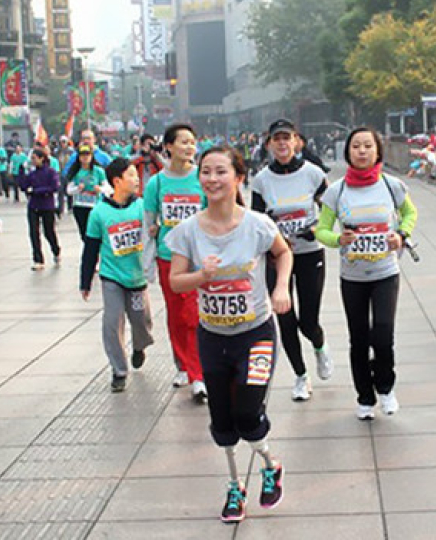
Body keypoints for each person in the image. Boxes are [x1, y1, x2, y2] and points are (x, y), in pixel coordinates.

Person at [165, 145, 291, 522]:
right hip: (213, 338)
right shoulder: (187, 231)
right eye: (206, 171)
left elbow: (283, 253)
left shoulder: (257, 224)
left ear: (238, 177)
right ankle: (235, 487)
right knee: (222, 422)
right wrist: (202, 276)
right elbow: (174, 282)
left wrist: (281, 288)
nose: (212, 179)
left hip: (256, 335)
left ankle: (270, 464)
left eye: (221, 172)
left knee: (248, 414)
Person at [315, 127, 418, 420]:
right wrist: (338, 240)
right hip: (353, 278)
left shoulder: (391, 186)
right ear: (347, 151)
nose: (362, 151)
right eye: (356, 146)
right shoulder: (336, 191)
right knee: (358, 338)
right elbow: (321, 229)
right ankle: (364, 396)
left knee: (383, 334)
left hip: (386, 272)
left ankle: (385, 388)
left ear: (377, 151)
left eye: (367, 146)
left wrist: (402, 233)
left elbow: (410, 214)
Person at [251, 119, 334, 401]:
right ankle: (301, 376)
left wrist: (316, 229)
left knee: (308, 322)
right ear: (269, 145)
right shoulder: (262, 180)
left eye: (287, 138)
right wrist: (272, 240)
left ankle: (320, 347)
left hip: (309, 255)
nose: (283, 144)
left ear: (296, 141)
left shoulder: (313, 173)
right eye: (277, 139)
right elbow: (258, 220)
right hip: (277, 259)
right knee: (285, 320)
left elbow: (332, 208)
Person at [143, 123, 208, 401]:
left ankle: (198, 374)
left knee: (193, 315)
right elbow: (149, 221)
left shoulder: (202, 178)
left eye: (192, 142)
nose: (189, 147)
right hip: (169, 257)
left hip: (198, 259)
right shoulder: (157, 183)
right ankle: (182, 364)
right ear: (168, 147)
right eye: (183, 142)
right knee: (176, 313)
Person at [79, 158, 154, 392]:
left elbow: (154, 233)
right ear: (117, 181)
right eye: (131, 175)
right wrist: (85, 281)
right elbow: (90, 248)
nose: (136, 179)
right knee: (112, 322)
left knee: (142, 321)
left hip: (137, 278)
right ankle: (119, 370)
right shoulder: (99, 213)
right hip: (111, 277)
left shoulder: (141, 207)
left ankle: (139, 347)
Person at [18, 149, 61, 270]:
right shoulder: (32, 173)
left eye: (35, 158)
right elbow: (24, 186)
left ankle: (55, 249)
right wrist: (21, 171)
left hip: (47, 205)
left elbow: (54, 187)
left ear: (42, 158)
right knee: (34, 232)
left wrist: (37, 191)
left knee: (49, 231)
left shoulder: (51, 172)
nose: (33, 161)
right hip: (33, 205)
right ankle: (38, 259)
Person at [65, 145, 108, 241]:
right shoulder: (75, 171)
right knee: (84, 233)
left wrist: (100, 189)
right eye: (82, 155)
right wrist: (78, 189)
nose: (85, 157)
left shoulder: (98, 171)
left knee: (96, 232)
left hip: (95, 206)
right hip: (80, 206)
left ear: (92, 156)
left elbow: (108, 188)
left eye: (87, 155)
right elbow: (69, 190)